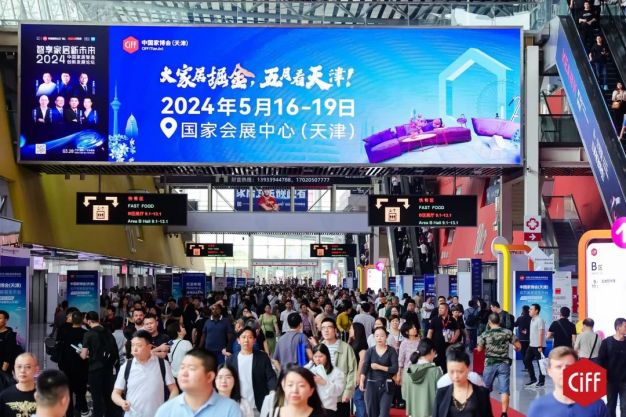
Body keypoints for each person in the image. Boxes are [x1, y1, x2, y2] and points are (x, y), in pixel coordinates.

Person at [154, 349, 242, 417]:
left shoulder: (230, 408)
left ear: (209, 376)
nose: (184, 373)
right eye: (182, 367)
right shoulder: (166, 410)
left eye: (191, 368)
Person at [112, 330, 179, 417]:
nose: (135, 349)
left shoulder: (162, 364)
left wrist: (168, 406)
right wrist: (122, 402)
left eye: (139, 345)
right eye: (133, 345)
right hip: (132, 414)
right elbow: (115, 393)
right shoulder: (126, 366)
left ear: (149, 347)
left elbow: (174, 389)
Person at [527, 346, 609, 417]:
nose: (564, 371)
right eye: (558, 367)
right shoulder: (538, 407)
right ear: (549, 371)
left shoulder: (597, 406)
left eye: (569, 366)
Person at [477, 313, 521, 417]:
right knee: (504, 390)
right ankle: (504, 413)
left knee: (485, 389)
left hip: (490, 363)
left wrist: (486, 347)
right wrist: (515, 348)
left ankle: (485, 412)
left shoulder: (485, 334)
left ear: (489, 322)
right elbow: (518, 346)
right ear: (499, 321)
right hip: (504, 364)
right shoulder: (507, 332)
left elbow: (479, 349)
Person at [225, 327, 277, 416]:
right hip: (238, 405)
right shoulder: (231, 360)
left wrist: (272, 391)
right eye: (243, 337)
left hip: (259, 404)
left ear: (254, 340)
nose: (246, 340)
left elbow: (271, 376)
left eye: (250, 337)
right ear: (238, 340)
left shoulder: (262, 357)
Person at [432, 347, 493, 417]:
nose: (455, 376)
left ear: (468, 369)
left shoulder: (482, 393)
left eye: (460, 371)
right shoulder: (441, 394)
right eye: (451, 372)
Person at [80, 311, 117, 417]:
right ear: (98, 320)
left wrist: (81, 353)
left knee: (96, 397)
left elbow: (83, 355)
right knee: (108, 395)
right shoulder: (108, 332)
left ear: (88, 321)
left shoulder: (88, 334)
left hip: (94, 369)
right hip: (108, 368)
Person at [359, 327, 399, 417]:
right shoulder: (370, 351)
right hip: (371, 385)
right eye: (377, 336)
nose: (379, 338)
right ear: (374, 337)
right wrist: (361, 380)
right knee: (372, 412)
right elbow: (365, 366)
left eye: (382, 336)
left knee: (384, 413)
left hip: (387, 385)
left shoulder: (391, 351)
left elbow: (394, 368)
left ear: (386, 337)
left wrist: (379, 367)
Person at [56, 311, 88, 417]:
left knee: (68, 391)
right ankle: (80, 410)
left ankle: (69, 413)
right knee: (80, 391)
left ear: (72, 320)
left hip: (67, 367)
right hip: (82, 367)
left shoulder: (65, 333)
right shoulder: (86, 334)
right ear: (82, 320)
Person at [401, 338, 442, 417]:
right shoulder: (436, 371)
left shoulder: (407, 371)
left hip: (413, 413)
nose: (435, 356)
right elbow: (441, 395)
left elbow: (404, 395)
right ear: (432, 351)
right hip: (430, 413)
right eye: (435, 353)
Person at [305, 344, 345, 417]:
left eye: (321, 356)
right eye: (315, 356)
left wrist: (324, 383)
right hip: (311, 409)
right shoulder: (310, 369)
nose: (318, 359)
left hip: (328, 409)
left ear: (327, 357)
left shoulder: (337, 372)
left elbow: (338, 391)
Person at [597, 317, 626, 417]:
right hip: (610, 380)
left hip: (625, 381)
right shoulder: (607, 342)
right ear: (618, 327)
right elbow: (600, 360)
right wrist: (602, 377)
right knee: (611, 406)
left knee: (624, 406)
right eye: (625, 326)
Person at [0, 353, 38, 417]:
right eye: (19, 367)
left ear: (36, 370)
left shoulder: (46, 396)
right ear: (14, 369)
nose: (22, 371)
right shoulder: (4, 396)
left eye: (28, 367)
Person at [427, 303, 459, 373]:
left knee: (448, 364)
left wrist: (454, 338)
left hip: (449, 346)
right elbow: (430, 331)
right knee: (437, 364)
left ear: (447, 310)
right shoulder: (434, 319)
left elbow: (457, 330)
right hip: (437, 346)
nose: (440, 309)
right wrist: (428, 343)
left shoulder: (452, 319)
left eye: (442, 308)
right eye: (439, 308)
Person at [523, 303, 546, 387]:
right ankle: (533, 379)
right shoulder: (532, 320)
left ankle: (541, 381)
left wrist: (540, 346)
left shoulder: (540, 320)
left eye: (531, 309)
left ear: (536, 311)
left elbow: (541, 333)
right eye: (529, 309)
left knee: (540, 364)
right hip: (532, 345)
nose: (529, 310)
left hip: (539, 345)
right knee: (526, 360)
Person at [350, 323, 368, 417]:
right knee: (357, 398)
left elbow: (362, 360)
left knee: (358, 398)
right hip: (356, 374)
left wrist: (358, 376)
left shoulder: (361, 344)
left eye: (351, 328)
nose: (349, 330)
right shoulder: (354, 343)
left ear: (356, 330)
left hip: (361, 375)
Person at [0, 311, 19, 377]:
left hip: (3, 367)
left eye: (0, 318)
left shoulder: (10, 334)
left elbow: (9, 353)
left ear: (6, 320)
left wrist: (3, 371)